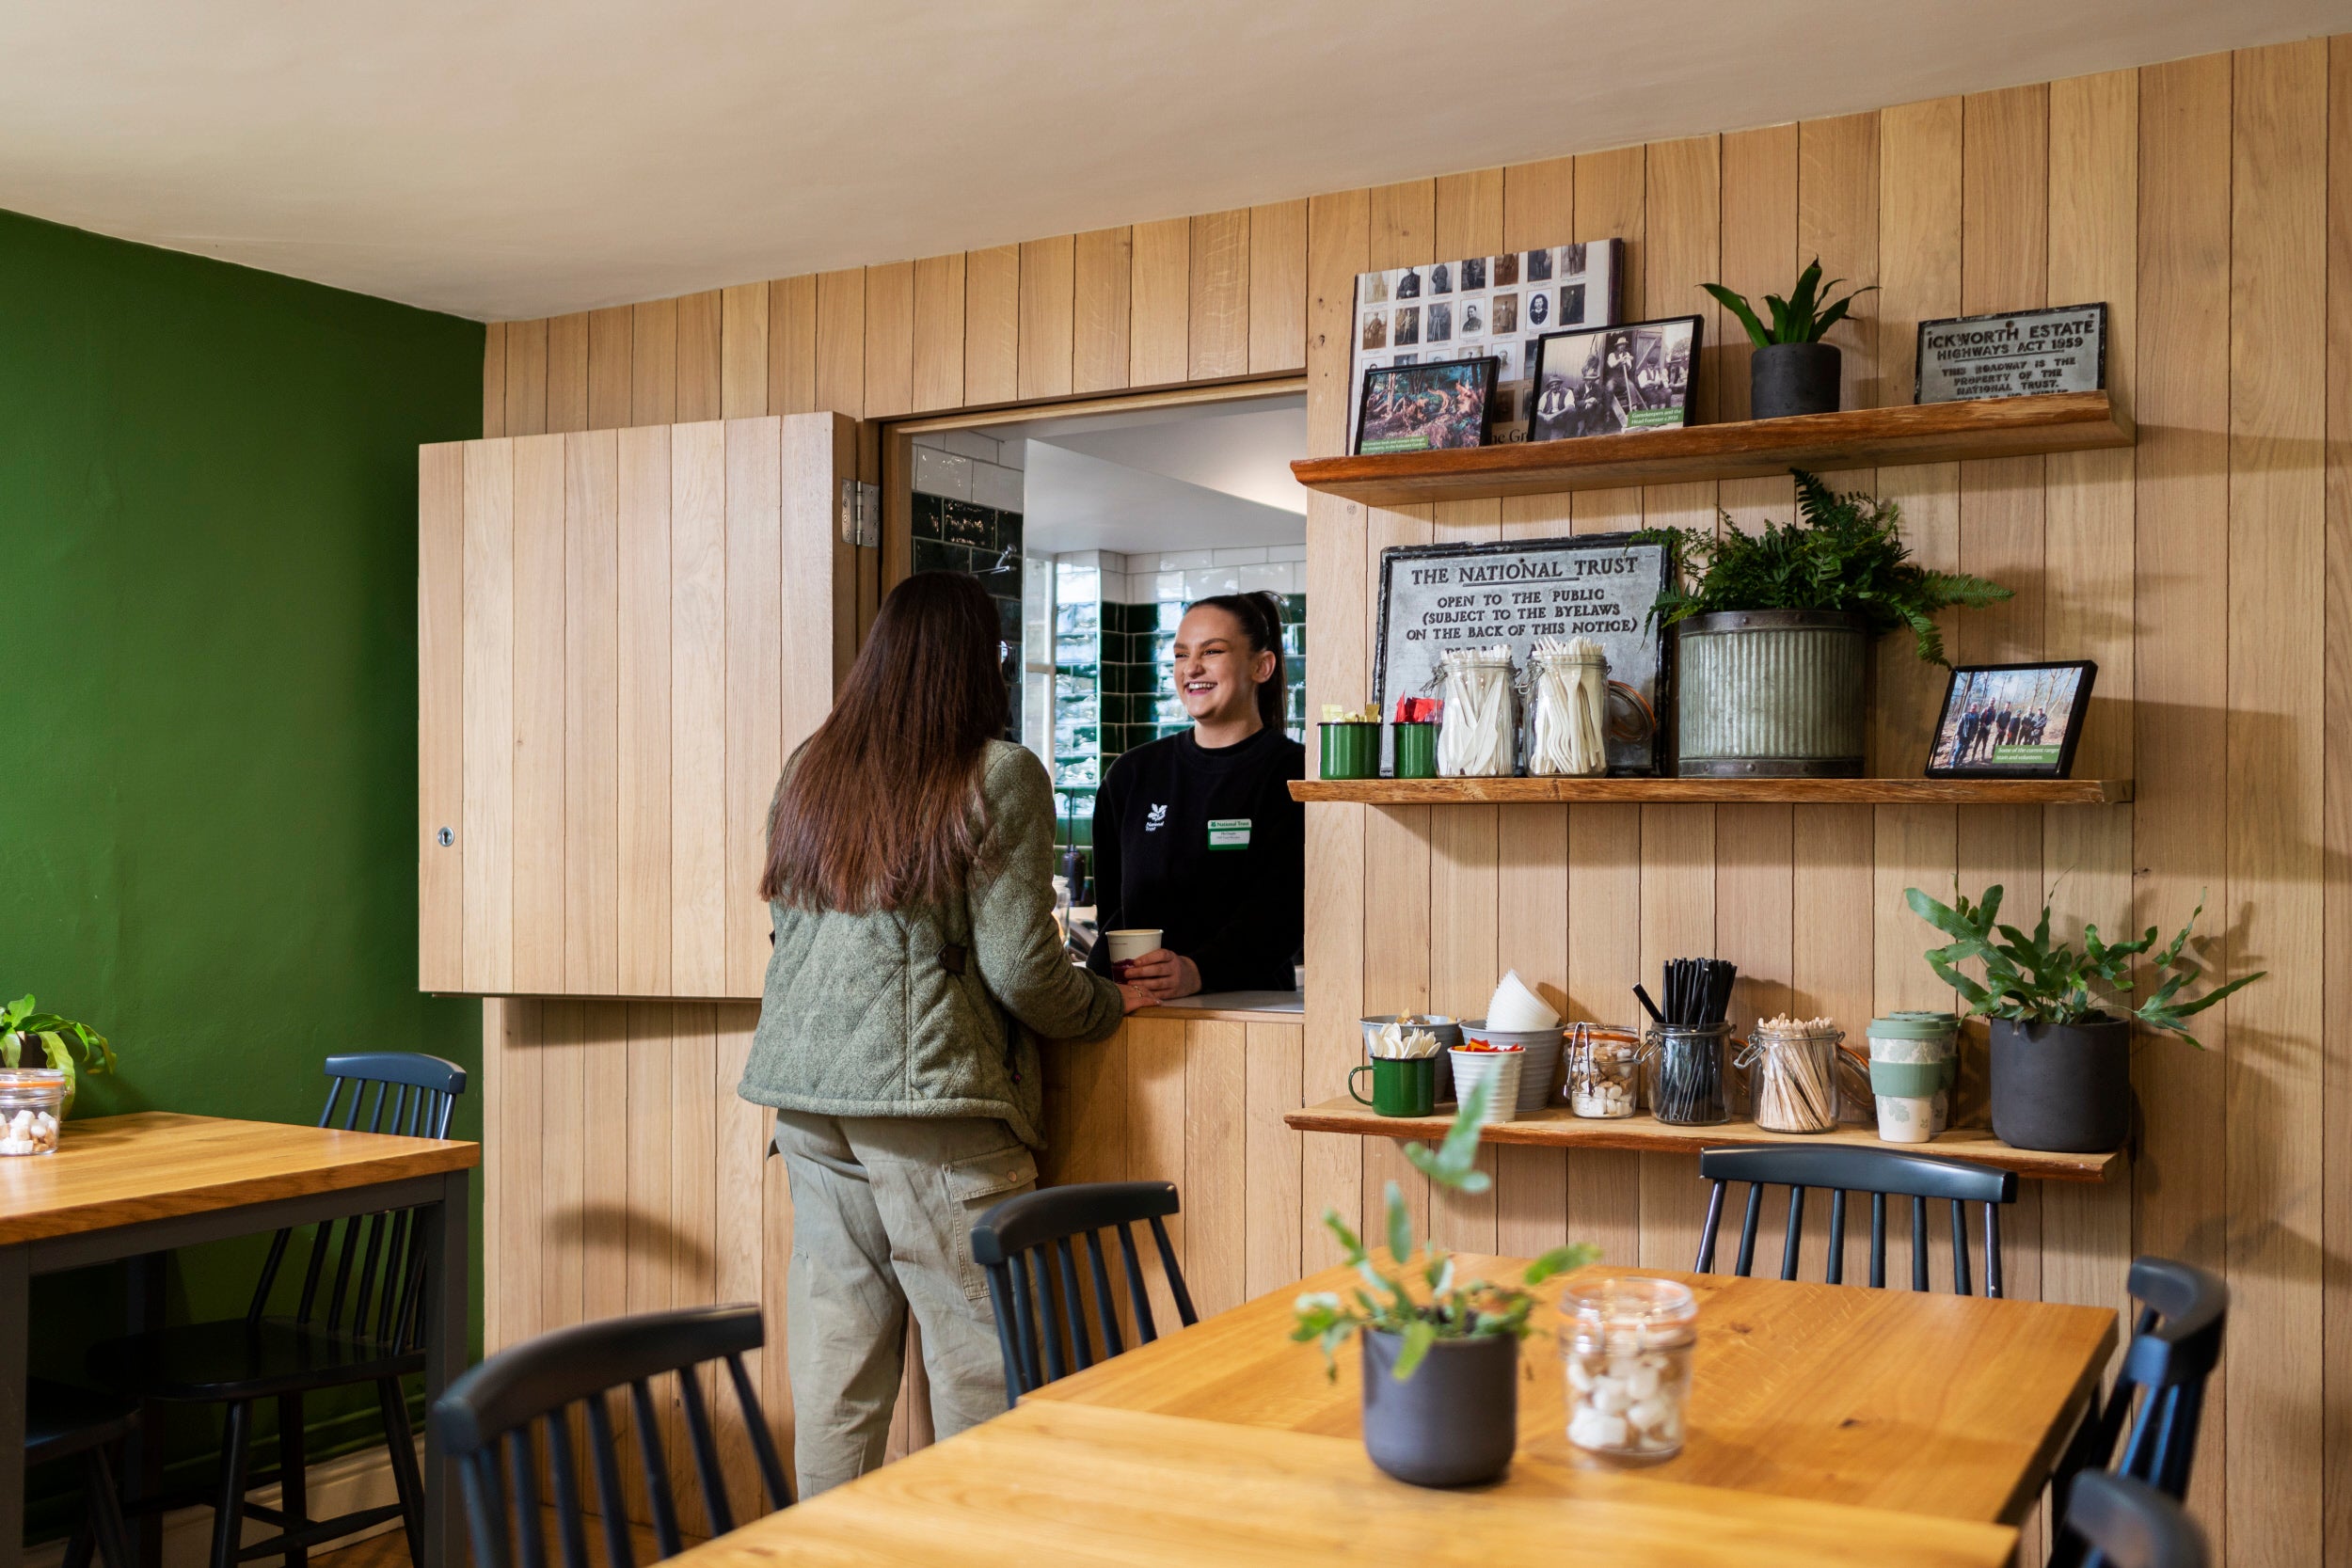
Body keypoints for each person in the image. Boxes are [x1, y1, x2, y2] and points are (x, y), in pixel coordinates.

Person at [740, 570, 1153, 1497]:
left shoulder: (810, 765)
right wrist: (1109, 1001)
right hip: (932, 1102)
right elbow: (1023, 970)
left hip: (808, 1099)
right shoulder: (999, 771)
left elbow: (788, 932)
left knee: (838, 1365)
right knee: (981, 1365)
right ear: (984, 660)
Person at [1089, 592, 1306, 1002]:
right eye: (1180, 654)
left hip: (1251, 1017)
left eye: (1212, 651)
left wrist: (1196, 971)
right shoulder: (1132, 775)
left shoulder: (1294, 774)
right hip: (1135, 1015)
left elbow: (1283, 915)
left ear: (1262, 666)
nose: (1192, 668)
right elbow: (1114, 914)